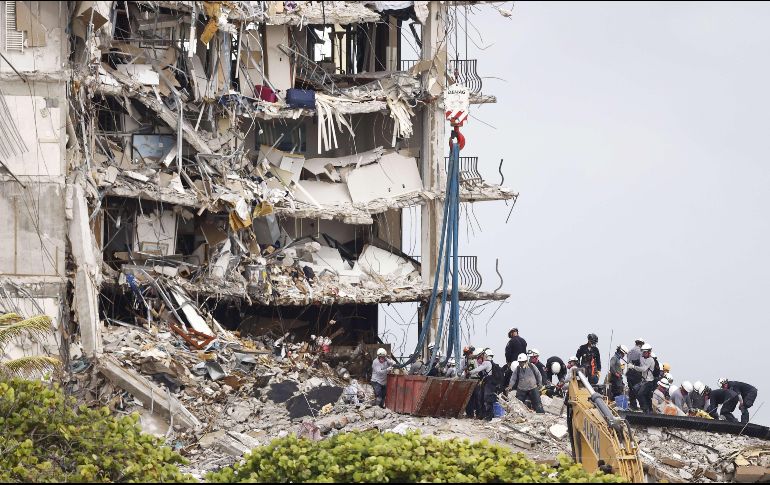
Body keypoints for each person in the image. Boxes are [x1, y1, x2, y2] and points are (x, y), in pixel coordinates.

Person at [467, 348, 494, 419]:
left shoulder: (487, 362)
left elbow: (478, 369)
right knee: (484, 398)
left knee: (484, 399)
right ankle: (485, 415)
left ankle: (486, 416)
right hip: (488, 382)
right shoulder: (491, 362)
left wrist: (470, 372)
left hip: (487, 382)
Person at [626, 338, 645, 410]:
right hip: (636, 374)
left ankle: (633, 405)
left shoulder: (630, 351)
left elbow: (628, 362)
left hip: (629, 373)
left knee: (631, 390)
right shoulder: (640, 352)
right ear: (641, 344)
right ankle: (642, 407)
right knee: (638, 390)